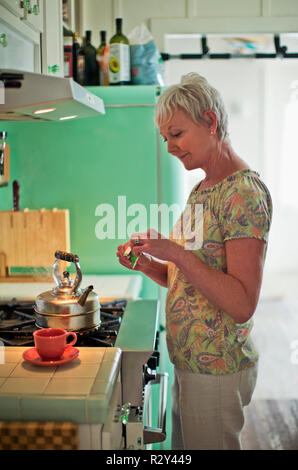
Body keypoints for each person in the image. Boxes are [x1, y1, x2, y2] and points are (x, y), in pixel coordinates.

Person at [116, 72, 272, 450]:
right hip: (190, 361)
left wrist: (174, 252)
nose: (169, 146)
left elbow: (240, 304)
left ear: (211, 122)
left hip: (217, 367)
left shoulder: (243, 194)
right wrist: (150, 265)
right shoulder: (202, 190)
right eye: (165, 138)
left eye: (177, 133)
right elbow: (191, 280)